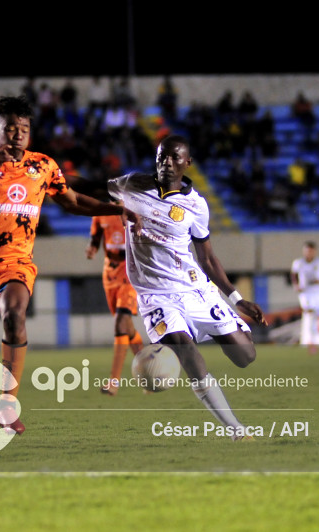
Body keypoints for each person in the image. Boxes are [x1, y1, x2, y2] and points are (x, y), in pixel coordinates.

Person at [0, 95, 137, 450]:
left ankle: (7, 405)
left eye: (24, 128)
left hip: (15, 264)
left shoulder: (43, 166)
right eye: (9, 128)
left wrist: (115, 210)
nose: (17, 134)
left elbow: (72, 201)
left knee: (15, 314)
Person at [107, 135, 266, 440]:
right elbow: (86, 189)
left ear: (187, 163)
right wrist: (54, 181)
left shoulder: (197, 205)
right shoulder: (132, 185)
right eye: (162, 156)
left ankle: (202, 329)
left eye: (174, 157)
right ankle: (236, 430)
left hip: (196, 290)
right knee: (186, 350)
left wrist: (236, 298)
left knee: (245, 356)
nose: (166, 162)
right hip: (157, 296)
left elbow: (206, 258)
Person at [85, 206, 144, 396]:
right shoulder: (100, 213)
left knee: (120, 321)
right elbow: (95, 238)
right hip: (110, 274)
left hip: (130, 272)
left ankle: (114, 381)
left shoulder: (135, 211)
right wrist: (92, 248)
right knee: (127, 328)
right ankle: (148, 373)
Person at [290, 242, 319, 355]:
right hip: (305, 293)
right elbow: (294, 275)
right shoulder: (298, 263)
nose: (309, 253)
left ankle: (311, 340)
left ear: (315, 251)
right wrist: (296, 285)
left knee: (315, 317)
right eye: (307, 251)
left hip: (318, 293)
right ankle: (310, 342)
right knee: (309, 312)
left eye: (311, 251)